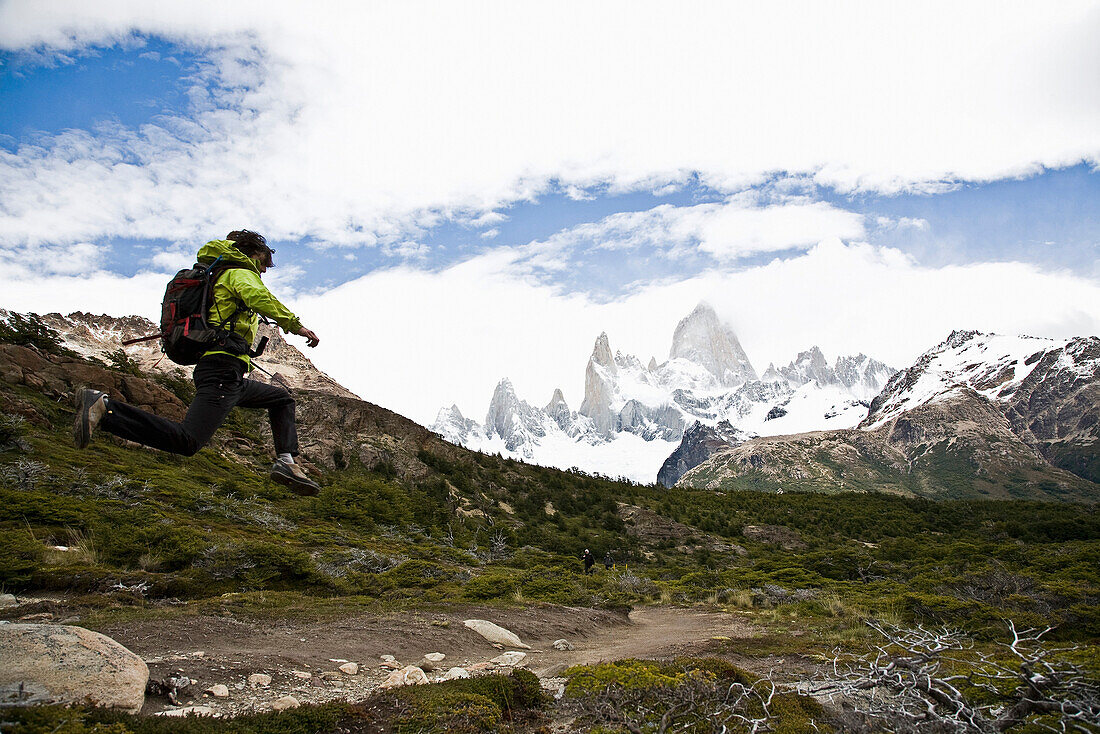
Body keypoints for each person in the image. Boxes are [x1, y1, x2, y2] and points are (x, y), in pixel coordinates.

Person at [73, 230, 322, 495]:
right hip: (222, 371)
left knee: (282, 399)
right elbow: (260, 297)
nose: (263, 270)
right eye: (263, 263)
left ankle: (286, 461)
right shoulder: (239, 272)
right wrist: (298, 327)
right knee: (188, 441)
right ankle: (106, 409)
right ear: (252, 254)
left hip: (229, 372)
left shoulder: (219, 274)